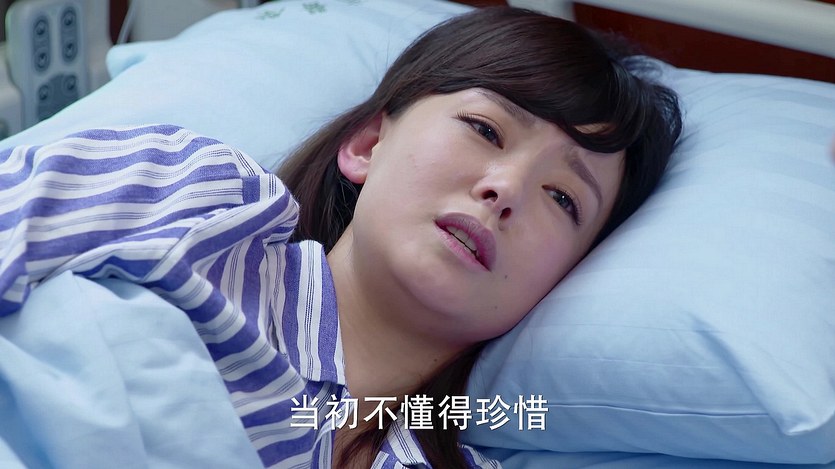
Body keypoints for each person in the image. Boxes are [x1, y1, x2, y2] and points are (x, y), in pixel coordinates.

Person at [0, 6, 681, 469]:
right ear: (367, 144)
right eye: (484, 129)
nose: (505, 189)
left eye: (562, 199)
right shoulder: (196, 201)